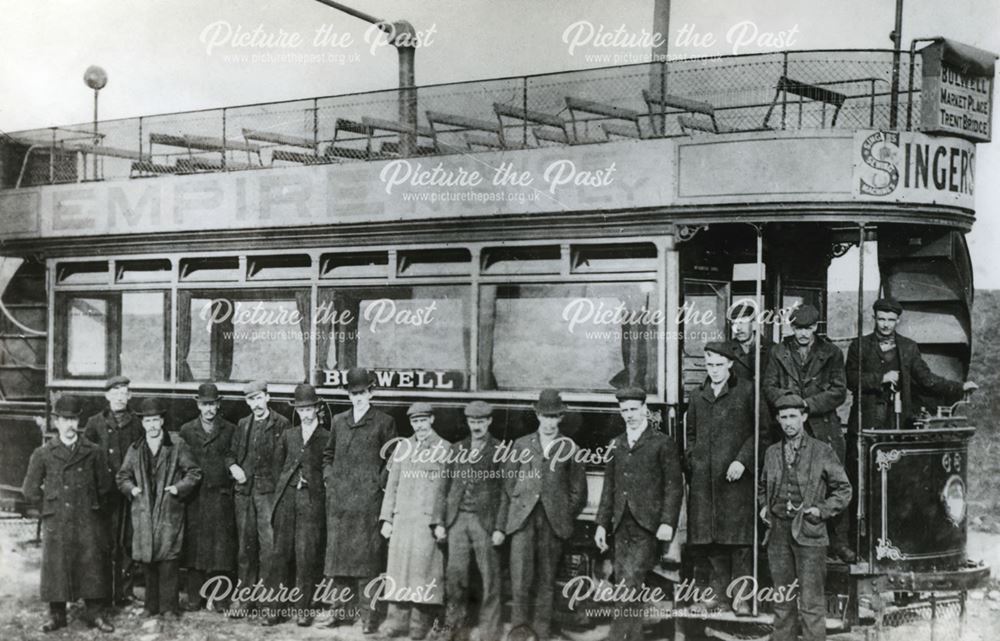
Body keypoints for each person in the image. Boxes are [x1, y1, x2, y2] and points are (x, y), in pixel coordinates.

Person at [762, 304, 852, 563]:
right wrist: (791, 403)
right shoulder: (779, 352)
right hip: (788, 425)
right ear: (792, 327)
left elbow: (838, 390)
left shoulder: (831, 353)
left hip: (823, 427)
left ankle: (838, 542)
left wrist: (808, 406)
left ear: (816, 327)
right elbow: (769, 386)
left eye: (808, 328)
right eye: (798, 328)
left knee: (834, 480)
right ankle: (786, 539)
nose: (803, 334)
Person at [494, 389, 588, 640]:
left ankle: (542, 631)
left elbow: (578, 492)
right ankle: (518, 632)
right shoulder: (521, 444)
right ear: (537, 415)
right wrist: (511, 516)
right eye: (545, 416)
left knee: (546, 581)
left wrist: (562, 513)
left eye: (554, 417)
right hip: (522, 522)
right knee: (520, 581)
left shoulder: (570, 447)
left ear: (560, 418)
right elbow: (508, 483)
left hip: (552, 523)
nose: (549, 422)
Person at [759, 395, 851, 641]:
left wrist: (821, 510)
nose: (788, 422)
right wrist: (763, 508)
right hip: (778, 533)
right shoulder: (771, 453)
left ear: (804, 417)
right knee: (782, 601)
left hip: (810, 534)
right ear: (778, 420)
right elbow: (762, 486)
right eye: (783, 417)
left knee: (811, 604)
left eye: (793, 416)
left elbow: (844, 490)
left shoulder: (822, 451)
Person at [595, 387, 683, 641]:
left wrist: (667, 522)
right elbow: (608, 488)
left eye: (634, 409)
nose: (630, 415)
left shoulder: (662, 443)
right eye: (625, 411)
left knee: (629, 582)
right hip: (621, 525)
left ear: (645, 409)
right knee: (627, 584)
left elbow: (673, 487)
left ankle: (615, 637)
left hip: (648, 527)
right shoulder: (616, 444)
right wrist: (601, 524)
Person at [685, 342, 767, 614]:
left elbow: (761, 432)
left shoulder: (747, 391)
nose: (715, 370)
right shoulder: (698, 395)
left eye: (720, 365)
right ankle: (717, 596)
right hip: (705, 481)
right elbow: (692, 434)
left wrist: (743, 461)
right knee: (712, 540)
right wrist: (693, 462)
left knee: (740, 541)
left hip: (736, 479)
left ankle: (742, 597)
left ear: (730, 364)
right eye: (710, 365)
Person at [23, 395, 115, 633]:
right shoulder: (43, 453)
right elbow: (29, 489)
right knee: (57, 568)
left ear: (79, 421)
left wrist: (94, 509)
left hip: (87, 518)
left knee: (91, 566)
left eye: (73, 419)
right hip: (58, 520)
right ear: (56, 422)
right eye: (64, 419)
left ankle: (95, 614)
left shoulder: (93, 452)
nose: (70, 425)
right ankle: (57, 615)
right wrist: (49, 508)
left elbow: (105, 487)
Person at [323, 367, 398, 633]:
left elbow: (391, 461)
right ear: (348, 395)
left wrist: (377, 487)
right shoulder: (339, 421)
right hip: (341, 504)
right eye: (353, 393)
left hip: (367, 504)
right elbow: (328, 455)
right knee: (338, 562)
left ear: (371, 392)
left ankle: (369, 617)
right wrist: (330, 480)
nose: (358, 398)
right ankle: (338, 612)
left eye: (362, 393)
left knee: (367, 562)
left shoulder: (384, 422)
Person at [116, 398, 203, 620]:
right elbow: (122, 476)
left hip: (168, 511)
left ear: (162, 421)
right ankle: (151, 606)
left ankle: (169, 608)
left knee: (168, 561)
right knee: (148, 561)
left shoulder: (176, 445)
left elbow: (194, 472)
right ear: (143, 423)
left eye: (156, 420)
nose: (153, 425)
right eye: (148, 421)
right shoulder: (136, 448)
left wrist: (177, 488)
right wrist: (132, 489)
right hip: (144, 511)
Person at [846, 297, 978, 432]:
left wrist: (960, 387)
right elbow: (850, 379)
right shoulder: (859, 346)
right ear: (874, 318)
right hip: (866, 419)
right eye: (882, 319)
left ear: (898, 320)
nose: (886, 325)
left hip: (899, 419)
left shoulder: (908, 347)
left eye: (891, 320)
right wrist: (881, 378)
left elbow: (927, 379)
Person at [432, 400, 504, 641]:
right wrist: (440, 522)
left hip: (485, 523)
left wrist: (499, 527)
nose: (477, 426)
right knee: (455, 578)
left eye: (481, 421)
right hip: (457, 521)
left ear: (489, 422)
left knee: (490, 579)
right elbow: (443, 488)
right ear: (467, 422)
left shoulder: (500, 450)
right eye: (473, 421)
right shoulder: (456, 449)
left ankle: (489, 633)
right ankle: (455, 628)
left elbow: (506, 492)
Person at [379, 403, 449, 639]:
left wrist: (440, 523)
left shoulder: (444, 448)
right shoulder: (403, 447)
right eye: (415, 421)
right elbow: (392, 485)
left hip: (426, 523)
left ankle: (419, 623)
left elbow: (445, 491)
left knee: (424, 573)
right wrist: (387, 518)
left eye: (423, 420)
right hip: (402, 520)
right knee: (399, 571)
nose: (419, 425)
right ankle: (396, 620)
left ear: (432, 420)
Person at [264, 383, 329, 627]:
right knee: (279, 555)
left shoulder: (326, 437)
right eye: (301, 410)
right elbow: (275, 466)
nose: (305, 413)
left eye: (309, 408)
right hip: (286, 501)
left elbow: (328, 472)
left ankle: (303, 609)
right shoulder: (289, 435)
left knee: (306, 556)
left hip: (310, 504)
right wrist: (285, 485)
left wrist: (310, 481)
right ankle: (275, 609)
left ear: (317, 408)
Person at [226, 379, 291, 614]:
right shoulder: (243, 424)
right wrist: (233, 467)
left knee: (269, 549)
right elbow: (231, 454)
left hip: (269, 496)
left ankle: (268, 602)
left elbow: (287, 461)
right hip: (244, 495)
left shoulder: (282, 424)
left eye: (258, 398)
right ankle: (244, 600)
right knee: (245, 549)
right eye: (250, 400)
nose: (255, 404)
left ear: (267, 397)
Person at [177, 382, 237, 612]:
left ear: (219, 404)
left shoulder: (230, 429)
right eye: (205, 405)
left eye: (213, 404)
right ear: (198, 405)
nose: (209, 409)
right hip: (196, 498)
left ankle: (221, 598)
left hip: (221, 497)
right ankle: (195, 597)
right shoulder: (186, 430)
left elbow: (234, 458)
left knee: (222, 549)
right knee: (195, 548)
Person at [83, 375, 143, 606]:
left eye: (123, 392)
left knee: (127, 542)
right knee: (104, 542)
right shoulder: (95, 423)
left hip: (128, 493)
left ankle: (125, 592)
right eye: (115, 392)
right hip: (104, 493)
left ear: (129, 396)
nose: (119, 397)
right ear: (107, 396)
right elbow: (86, 457)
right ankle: (103, 592)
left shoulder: (137, 423)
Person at [725, 300, 774, 382]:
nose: (738, 328)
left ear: (754, 324)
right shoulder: (726, 349)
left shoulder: (772, 349)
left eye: (742, 322)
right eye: (734, 323)